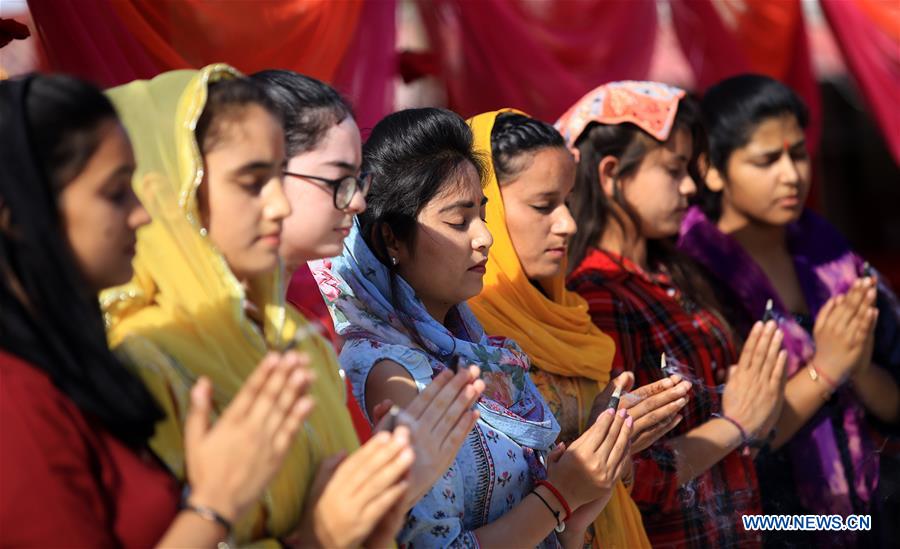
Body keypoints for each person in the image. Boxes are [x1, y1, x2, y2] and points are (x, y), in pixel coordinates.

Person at [100, 64, 412, 547]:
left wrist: (380, 511)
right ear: (175, 192)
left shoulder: (295, 338)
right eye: (252, 181)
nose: (278, 206)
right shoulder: (140, 359)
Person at [0, 74, 312, 547]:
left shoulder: (68, 360)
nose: (142, 213)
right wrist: (215, 505)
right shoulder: (14, 401)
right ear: (18, 216)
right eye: (114, 192)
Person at [314, 107, 634, 547]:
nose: (485, 237)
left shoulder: (485, 354)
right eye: (458, 221)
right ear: (392, 238)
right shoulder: (391, 374)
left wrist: (574, 513)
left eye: (482, 215)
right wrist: (558, 498)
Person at [560, 81, 787, 547]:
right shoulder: (598, 295)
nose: (689, 186)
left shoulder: (671, 273)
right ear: (611, 174)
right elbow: (626, 471)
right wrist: (735, 424)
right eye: (673, 169)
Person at [679, 73, 899, 547]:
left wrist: (858, 369)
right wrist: (827, 368)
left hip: (866, 516)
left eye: (798, 154)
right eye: (766, 160)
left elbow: (893, 402)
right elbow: (730, 439)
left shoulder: (831, 257)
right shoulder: (692, 279)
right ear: (711, 169)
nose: (791, 174)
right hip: (762, 525)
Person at [252, 68, 485, 513]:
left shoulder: (307, 333)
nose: (358, 202)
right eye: (337, 180)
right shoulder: (374, 362)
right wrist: (558, 501)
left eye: (356, 181)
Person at [468, 109, 698, 548]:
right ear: (484, 209)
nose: (568, 224)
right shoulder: (463, 340)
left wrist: (614, 448)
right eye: (543, 206)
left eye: (568, 202)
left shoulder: (571, 319)